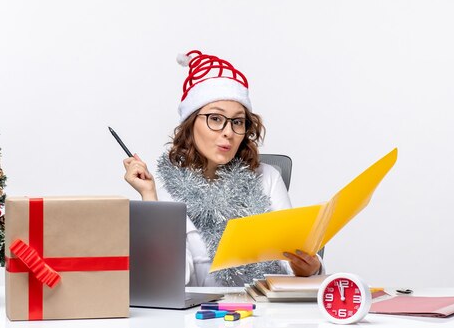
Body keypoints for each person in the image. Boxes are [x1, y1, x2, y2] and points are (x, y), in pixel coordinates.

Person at [123, 50, 325, 287]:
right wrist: (148, 195)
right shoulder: (164, 187)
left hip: (263, 313)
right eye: (216, 119)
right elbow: (171, 277)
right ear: (190, 124)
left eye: (238, 121)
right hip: (199, 317)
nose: (228, 131)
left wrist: (310, 267)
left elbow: (288, 259)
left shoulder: (267, 177)